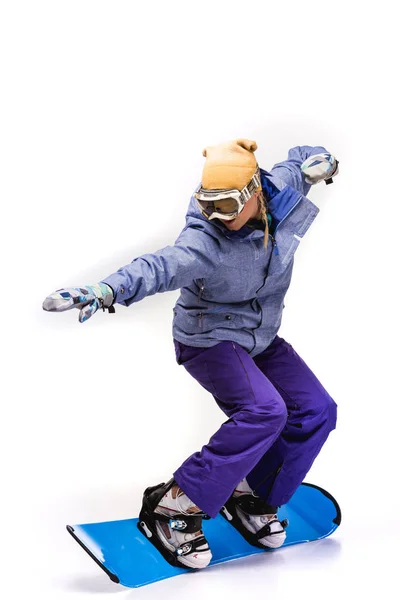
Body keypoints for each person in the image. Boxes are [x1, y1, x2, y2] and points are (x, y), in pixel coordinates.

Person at [43, 138, 339, 570]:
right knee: (264, 411)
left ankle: (252, 494)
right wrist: (105, 290)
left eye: (226, 205)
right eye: (209, 204)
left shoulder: (276, 191)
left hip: (259, 336)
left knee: (316, 409)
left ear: (256, 190)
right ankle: (174, 504)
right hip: (209, 339)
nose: (217, 216)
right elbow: (159, 266)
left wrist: (318, 160)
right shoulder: (205, 241)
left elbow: (296, 162)